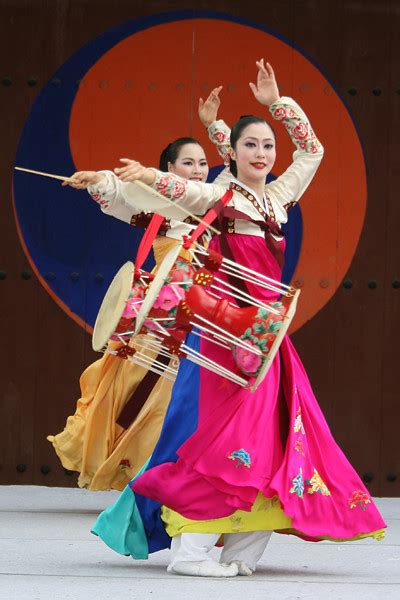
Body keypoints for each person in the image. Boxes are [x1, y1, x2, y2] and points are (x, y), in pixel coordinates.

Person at [91, 60, 386, 578]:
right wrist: (136, 177)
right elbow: (183, 192)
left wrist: (279, 105)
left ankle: (241, 551)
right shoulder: (222, 195)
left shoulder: (279, 196)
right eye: (251, 146)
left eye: (268, 146)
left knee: (280, 434)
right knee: (230, 438)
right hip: (228, 336)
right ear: (231, 153)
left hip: (268, 337)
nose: (263, 154)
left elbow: (312, 151)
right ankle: (191, 552)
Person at [48, 136, 216, 491]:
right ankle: (142, 470)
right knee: (140, 387)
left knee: (194, 393)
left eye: (202, 163)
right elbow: (124, 197)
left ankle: (185, 475)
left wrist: (216, 126)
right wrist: (99, 179)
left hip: (208, 315)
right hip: (162, 313)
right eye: (189, 163)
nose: (198, 170)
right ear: (170, 169)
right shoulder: (160, 205)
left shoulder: (216, 203)